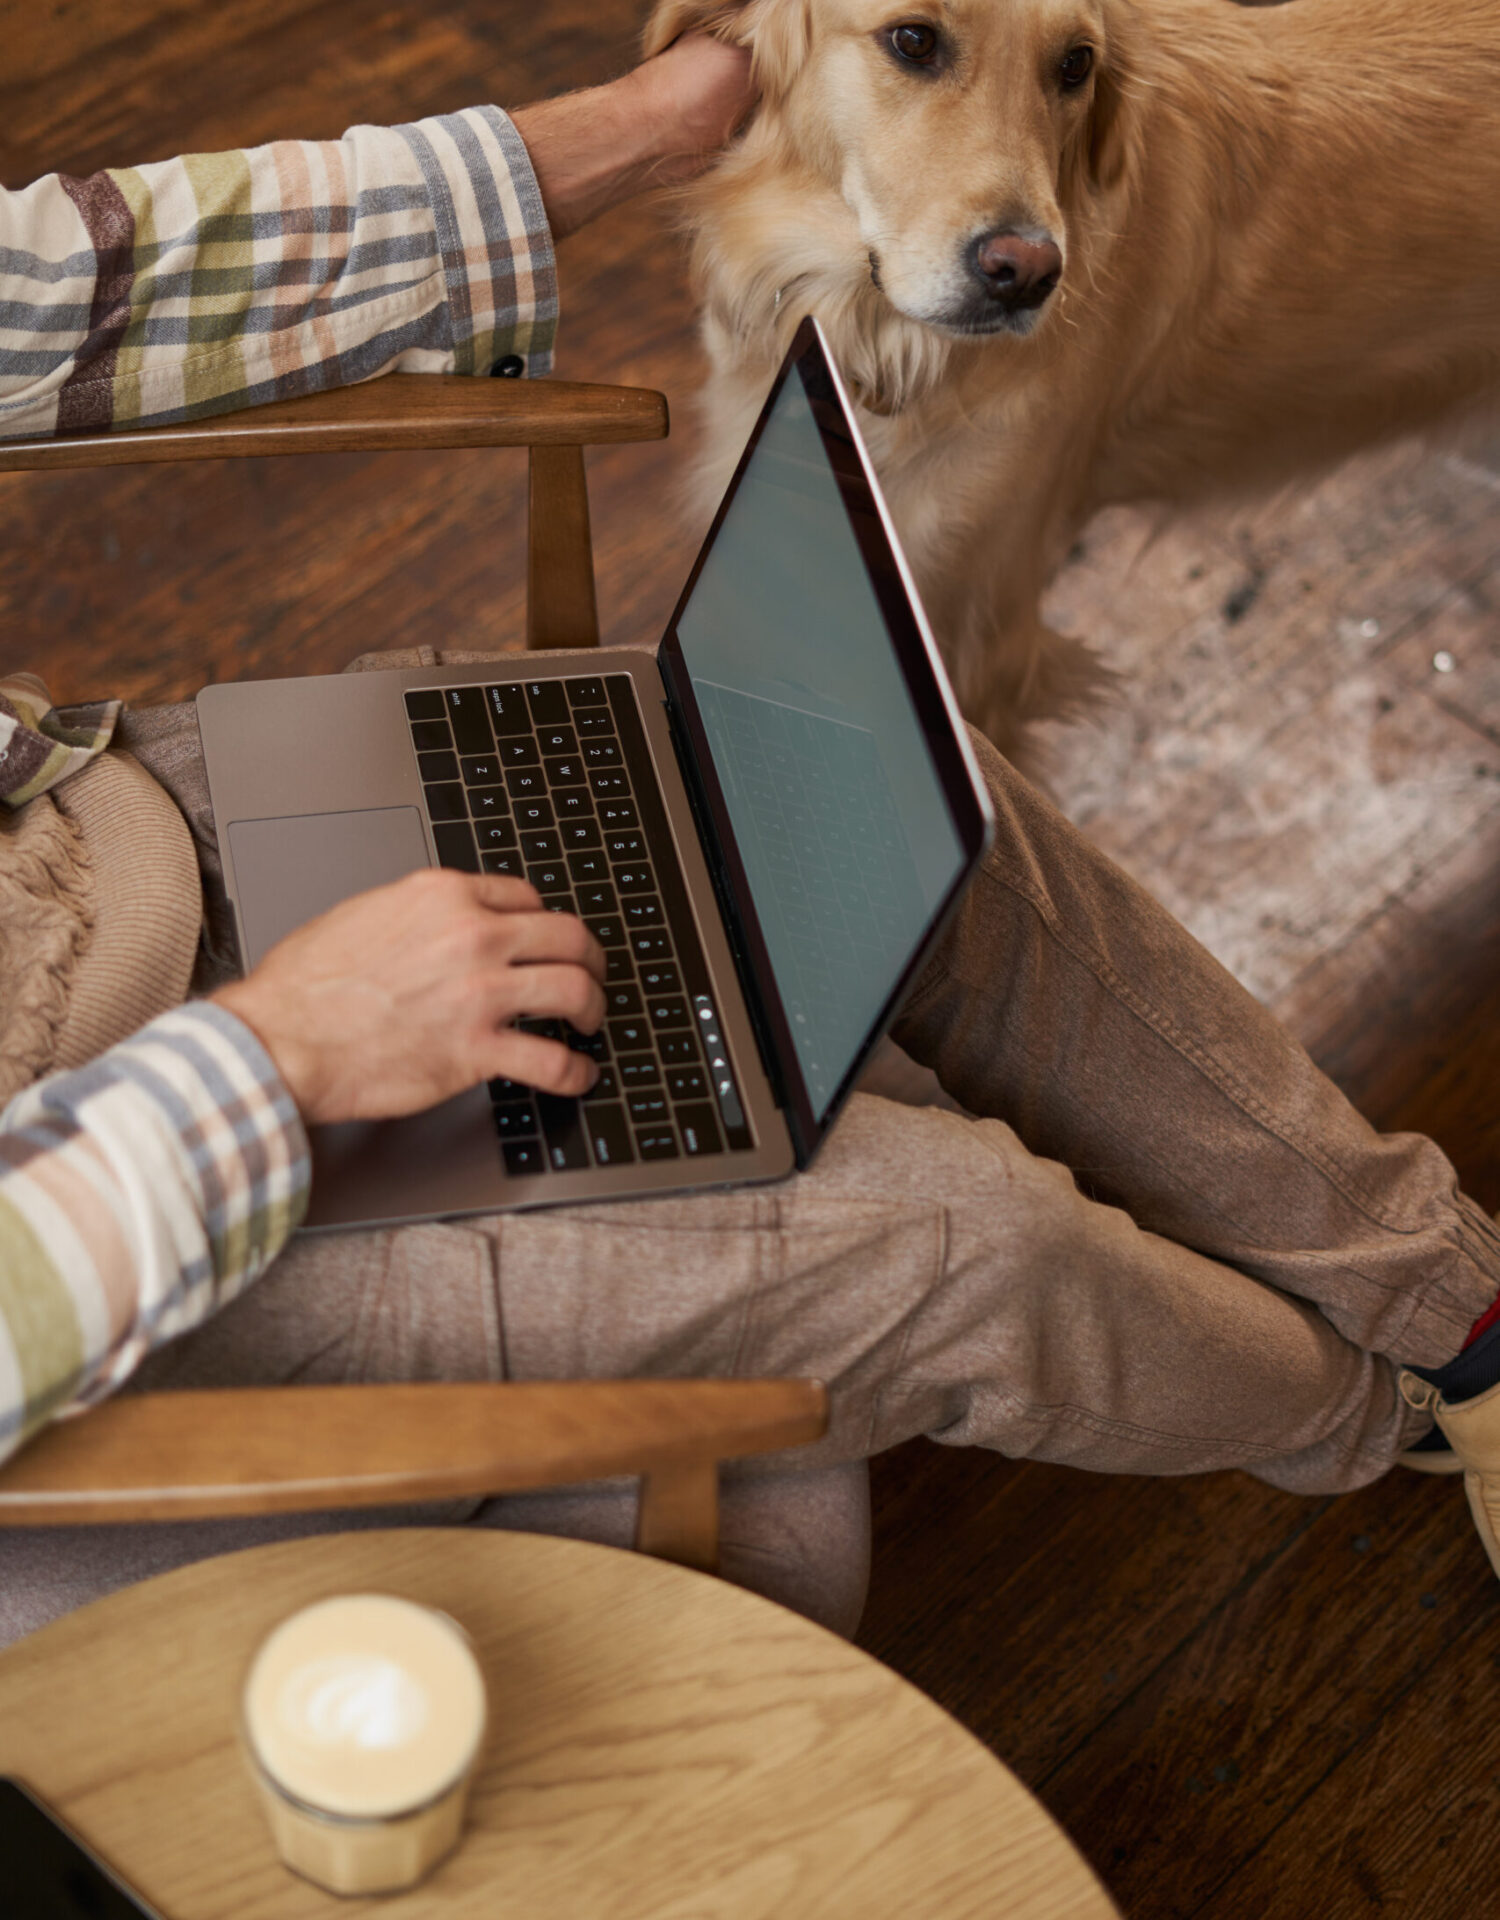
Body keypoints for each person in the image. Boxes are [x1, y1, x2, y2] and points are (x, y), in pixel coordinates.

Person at [3, 32, 1498, 1646]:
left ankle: (1459, 1310)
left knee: (895, 776)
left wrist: (632, 131)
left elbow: (38, 288)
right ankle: (1367, 1419)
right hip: (103, 1239)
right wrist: (278, 1054)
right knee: (966, 1243)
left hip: (85, 822)